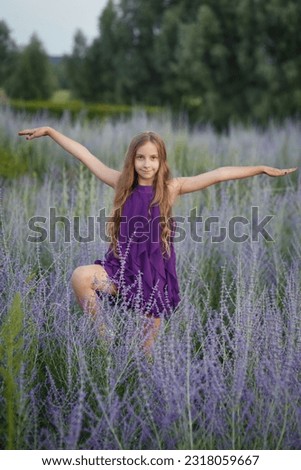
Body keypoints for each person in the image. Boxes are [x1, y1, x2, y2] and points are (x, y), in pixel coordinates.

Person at [18, 127, 297, 355]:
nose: (147, 164)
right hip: (120, 271)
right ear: (133, 159)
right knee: (80, 277)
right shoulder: (121, 184)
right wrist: (51, 132)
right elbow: (85, 155)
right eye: (141, 157)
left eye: (153, 158)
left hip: (153, 279)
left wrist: (260, 168)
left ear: (162, 161)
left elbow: (220, 174)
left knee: (145, 353)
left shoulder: (171, 188)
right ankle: (105, 340)